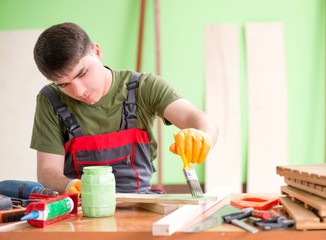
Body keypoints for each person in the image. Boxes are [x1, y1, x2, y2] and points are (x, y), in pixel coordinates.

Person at [30, 22, 218, 196]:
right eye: (64, 85)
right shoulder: (50, 100)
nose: (79, 91)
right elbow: (48, 172)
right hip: (82, 209)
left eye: (82, 73)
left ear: (96, 51)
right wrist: (70, 186)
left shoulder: (144, 87)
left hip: (141, 206)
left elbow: (199, 119)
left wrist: (203, 136)